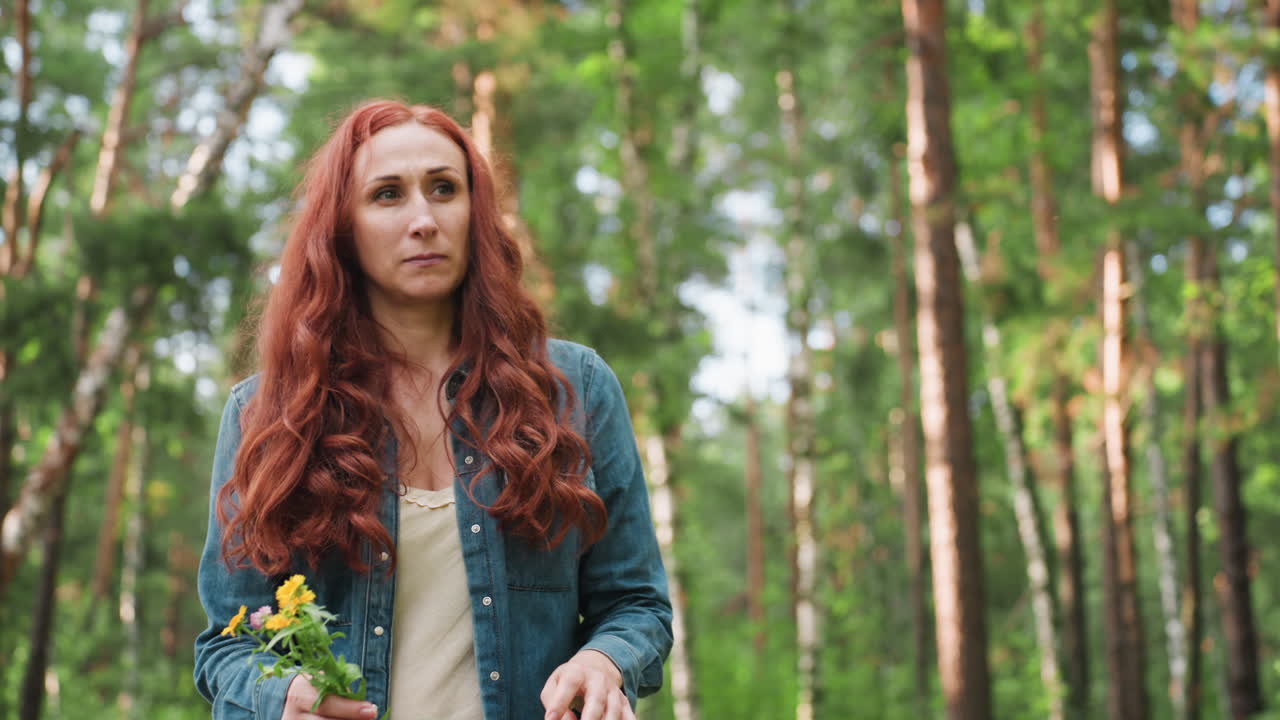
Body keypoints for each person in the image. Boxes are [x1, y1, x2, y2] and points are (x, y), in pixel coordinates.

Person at [194, 99, 673, 720]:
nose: (423, 218)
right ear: (343, 225)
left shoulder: (572, 391)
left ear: (475, 212)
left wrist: (605, 661)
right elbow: (227, 647)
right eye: (387, 195)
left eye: (444, 188)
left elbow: (636, 603)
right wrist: (279, 693)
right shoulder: (269, 413)